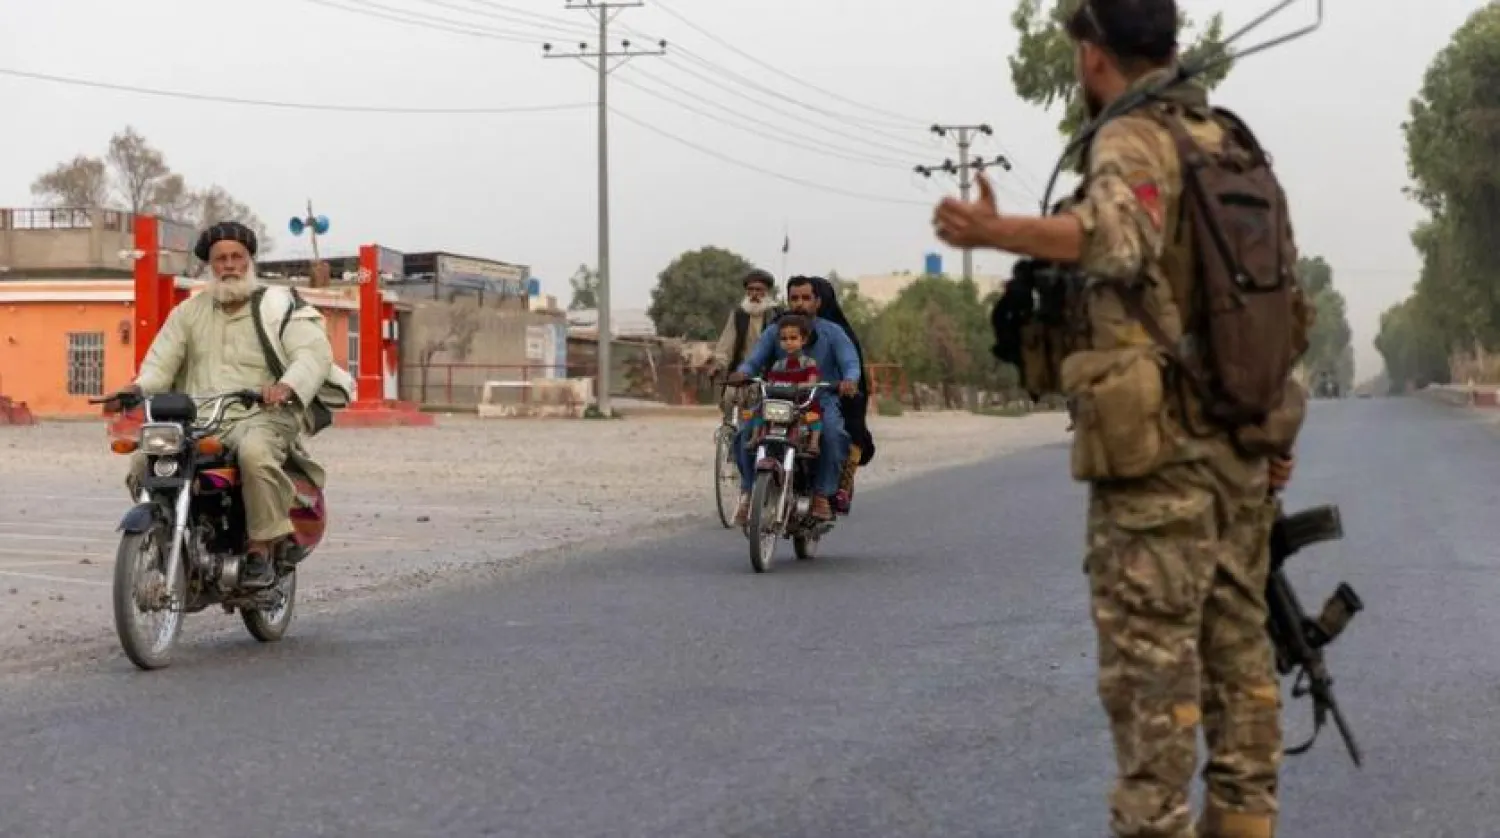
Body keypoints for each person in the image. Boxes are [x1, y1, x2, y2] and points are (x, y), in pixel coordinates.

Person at [931, 2, 1307, 836]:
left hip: (1159, 471)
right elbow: (1286, 307)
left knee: (1152, 700)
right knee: (1243, 673)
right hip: (1241, 456)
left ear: (1093, 55)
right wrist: (1275, 435)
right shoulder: (1232, 143)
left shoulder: (1132, 137)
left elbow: (1116, 235)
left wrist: (997, 231)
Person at [104, 221, 337, 589]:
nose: (229, 265)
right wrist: (134, 388)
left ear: (249, 260)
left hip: (262, 414)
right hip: (201, 418)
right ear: (209, 266)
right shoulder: (188, 313)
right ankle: (172, 531)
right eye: (220, 259)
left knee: (254, 454)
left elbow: (312, 353)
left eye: (236, 257)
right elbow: (160, 364)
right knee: (143, 459)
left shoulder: (278, 305)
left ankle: (261, 547)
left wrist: (286, 386)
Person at [727, 275, 860, 524]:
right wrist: (744, 373)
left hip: (819, 401)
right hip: (778, 399)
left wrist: (850, 380)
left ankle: (821, 494)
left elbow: (850, 362)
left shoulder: (833, 333)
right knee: (744, 433)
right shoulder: (776, 331)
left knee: (833, 434)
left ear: (817, 302)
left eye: (805, 298)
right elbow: (755, 359)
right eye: (794, 298)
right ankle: (747, 493)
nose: (799, 303)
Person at [807, 276, 876, 514]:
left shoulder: (838, 333)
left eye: (811, 298)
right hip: (798, 394)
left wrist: (847, 384)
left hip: (838, 395)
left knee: (841, 434)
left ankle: (837, 489)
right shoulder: (789, 328)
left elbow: (851, 366)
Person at [709, 268, 783, 426]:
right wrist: (719, 364)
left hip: (770, 373)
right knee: (729, 400)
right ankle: (729, 437)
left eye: (759, 290)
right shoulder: (739, 314)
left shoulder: (778, 315)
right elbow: (726, 344)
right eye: (750, 290)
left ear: (767, 292)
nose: (754, 294)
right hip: (740, 373)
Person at [743, 315, 823, 455]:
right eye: (784, 339)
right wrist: (765, 384)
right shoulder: (778, 364)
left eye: (793, 338)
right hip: (780, 401)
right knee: (759, 409)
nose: (788, 342)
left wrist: (804, 385)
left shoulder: (809, 363)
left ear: (803, 340)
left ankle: (814, 443)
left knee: (814, 413)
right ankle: (755, 437)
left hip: (801, 402)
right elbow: (770, 382)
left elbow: (812, 381)